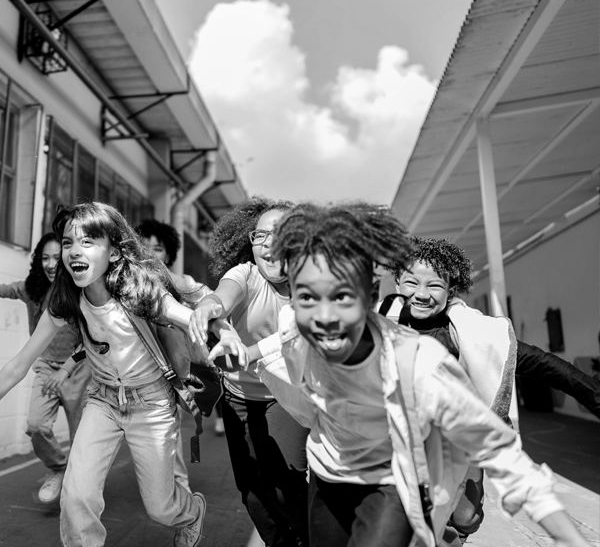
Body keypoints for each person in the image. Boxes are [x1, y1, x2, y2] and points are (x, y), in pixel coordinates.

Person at [203, 202, 591, 547]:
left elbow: (498, 448)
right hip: (327, 478)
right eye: (307, 297)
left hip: (390, 482)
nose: (324, 317)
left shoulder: (417, 360)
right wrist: (238, 352)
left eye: (341, 297)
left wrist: (564, 531)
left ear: (369, 297)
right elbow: (273, 347)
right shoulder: (296, 334)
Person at [0, 202, 242, 547]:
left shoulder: (138, 290)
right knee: (76, 497)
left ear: (113, 253)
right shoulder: (65, 298)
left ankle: (190, 512)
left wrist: (227, 334)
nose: (73, 251)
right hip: (103, 402)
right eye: (67, 242)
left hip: (152, 404)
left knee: (161, 507)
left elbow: (188, 316)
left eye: (87, 242)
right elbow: (18, 363)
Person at [381, 236, 600, 543]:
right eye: (411, 282)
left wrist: (595, 397)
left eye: (434, 286)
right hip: (398, 441)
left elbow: (545, 364)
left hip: (457, 440)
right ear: (398, 282)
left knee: (464, 517)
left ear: (451, 290)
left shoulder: (478, 335)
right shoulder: (377, 324)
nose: (421, 294)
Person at [189, 197, 309, 547]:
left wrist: (247, 351)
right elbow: (221, 297)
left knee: (288, 486)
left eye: (283, 233)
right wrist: (210, 308)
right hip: (238, 398)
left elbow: (290, 340)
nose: (269, 243)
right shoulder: (247, 274)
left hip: (284, 399)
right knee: (253, 491)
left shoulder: (312, 290)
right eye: (260, 236)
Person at [0, 232, 91, 504]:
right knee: (37, 425)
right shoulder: (32, 289)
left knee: (81, 439)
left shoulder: (78, 291)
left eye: (56, 258)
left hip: (79, 370)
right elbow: (4, 289)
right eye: (45, 258)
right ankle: (58, 468)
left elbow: (91, 341)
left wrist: (65, 370)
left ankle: (79, 489)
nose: (51, 264)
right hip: (45, 369)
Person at [136, 218, 218, 489]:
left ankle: (181, 491)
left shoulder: (180, 283)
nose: (149, 253)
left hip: (171, 373)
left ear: (168, 253)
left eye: (157, 248)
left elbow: (208, 297)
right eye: (144, 246)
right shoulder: (125, 284)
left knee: (169, 437)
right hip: (135, 375)